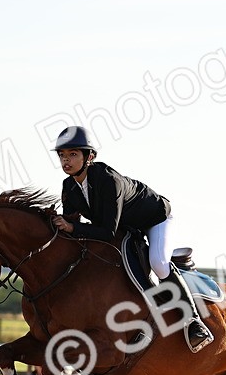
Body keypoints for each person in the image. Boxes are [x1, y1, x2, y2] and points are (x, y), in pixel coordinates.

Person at [51, 125, 214, 353]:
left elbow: (105, 231)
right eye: (62, 155)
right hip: (125, 226)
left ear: (90, 157)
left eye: (73, 154)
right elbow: (72, 224)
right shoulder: (69, 186)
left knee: (158, 262)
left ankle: (194, 322)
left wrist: (72, 227)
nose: (66, 160)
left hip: (155, 218)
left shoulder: (108, 180)